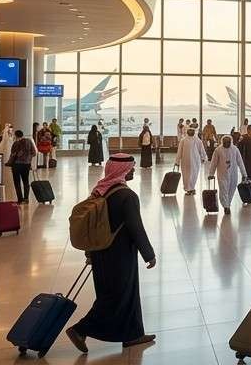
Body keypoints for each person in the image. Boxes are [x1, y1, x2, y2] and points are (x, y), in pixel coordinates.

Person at [65, 153, 157, 352]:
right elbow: (136, 227)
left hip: (100, 252)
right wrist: (148, 254)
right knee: (117, 296)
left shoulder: (100, 190)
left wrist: (90, 252)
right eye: (131, 167)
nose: (133, 170)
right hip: (120, 254)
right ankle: (80, 329)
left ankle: (133, 335)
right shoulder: (127, 196)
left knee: (120, 294)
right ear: (122, 170)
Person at [206, 136, 246, 214]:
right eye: (225, 142)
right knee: (223, 190)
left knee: (232, 189)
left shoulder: (235, 149)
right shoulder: (218, 150)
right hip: (222, 174)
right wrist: (211, 173)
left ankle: (228, 203)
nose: (226, 143)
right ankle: (226, 207)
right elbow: (214, 163)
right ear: (222, 142)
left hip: (233, 174)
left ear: (230, 142)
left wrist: (244, 174)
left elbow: (240, 162)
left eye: (228, 142)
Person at [6, 129, 37, 203]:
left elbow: (13, 154)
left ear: (15, 135)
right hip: (26, 164)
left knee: (17, 182)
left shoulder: (16, 143)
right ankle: (26, 199)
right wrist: (28, 158)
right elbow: (34, 153)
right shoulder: (29, 141)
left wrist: (10, 161)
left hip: (16, 165)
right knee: (26, 181)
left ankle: (20, 199)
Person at [175, 126, 207, 195]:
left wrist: (204, 157)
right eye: (190, 131)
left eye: (192, 132)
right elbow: (179, 152)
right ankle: (189, 189)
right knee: (186, 175)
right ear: (187, 133)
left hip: (195, 161)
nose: (191, 133)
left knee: (193, 175)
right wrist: (177, 161)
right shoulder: (183, 140)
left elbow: (202, 150)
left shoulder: (198, 140)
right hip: (185, 161)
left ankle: (191, 188)